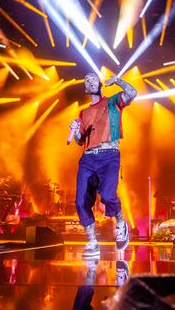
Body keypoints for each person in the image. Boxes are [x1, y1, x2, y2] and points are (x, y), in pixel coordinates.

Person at [69, 73, 137, 258]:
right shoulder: (83, 113)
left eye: (93, 79)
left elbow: (132, 92)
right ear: (85, 88)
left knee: (108, 196)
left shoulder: (113, 101)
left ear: (99, 83)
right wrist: (75, 132)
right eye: (86, 81)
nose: (90, 81)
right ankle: (92, 241)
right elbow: (79, 141)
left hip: (109, 155)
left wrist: (118, 81)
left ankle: (121, 223)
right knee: (81, 200)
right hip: (88, 158)